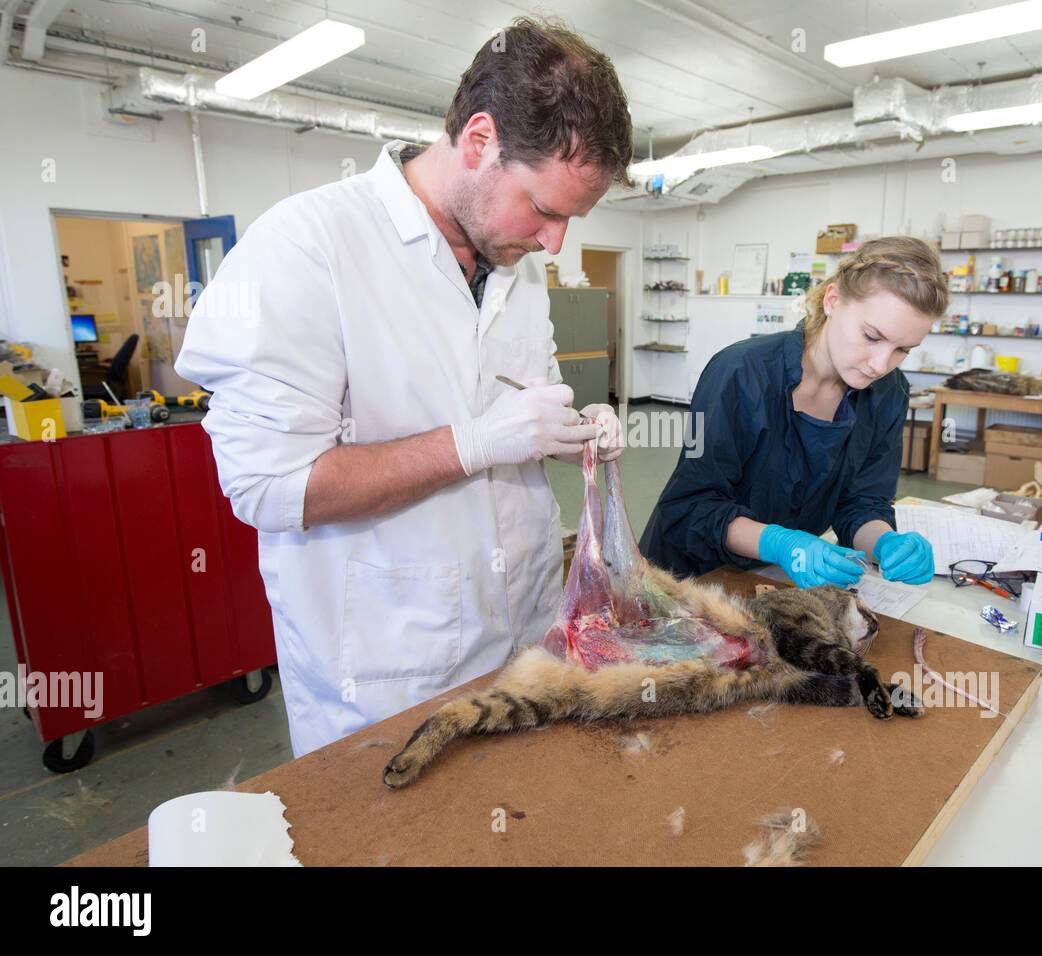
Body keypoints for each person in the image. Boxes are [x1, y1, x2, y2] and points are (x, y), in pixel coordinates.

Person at [175, 17, 634, 756]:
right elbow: (270, 486)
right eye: (546, 210)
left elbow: (526, 396)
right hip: (390, 676)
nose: (555, 243)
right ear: (479, 141)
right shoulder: (305, 248)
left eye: (572, 220)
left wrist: (572, 426)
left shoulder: (517, 265)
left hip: (525, 641)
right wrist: (474, 444)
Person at [639, 237, 948, 589]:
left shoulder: (889, 393)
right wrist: (781, 543)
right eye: (871, 336)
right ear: (833, 300)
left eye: (902, 349)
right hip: (686, 578)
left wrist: (883, 542)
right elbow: (691, 507)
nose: (880, 364)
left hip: (770, 582)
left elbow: (863, 503)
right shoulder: (738, 372)